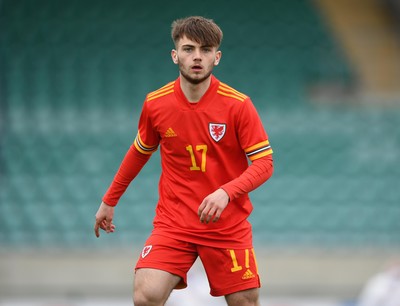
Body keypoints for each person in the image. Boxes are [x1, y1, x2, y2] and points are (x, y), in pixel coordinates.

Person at [94, 16, 274, 306]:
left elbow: (265, 164)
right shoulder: (156, 103)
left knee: (245, 301)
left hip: (226, 226)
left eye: (205, 50)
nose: (197, 57)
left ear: (217, 57)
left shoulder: (238, 105)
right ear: (175, 55)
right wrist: (109, 200)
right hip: (174, 222)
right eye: (189, 49)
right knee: (146, 294)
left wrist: (225, 192)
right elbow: (139, 152)